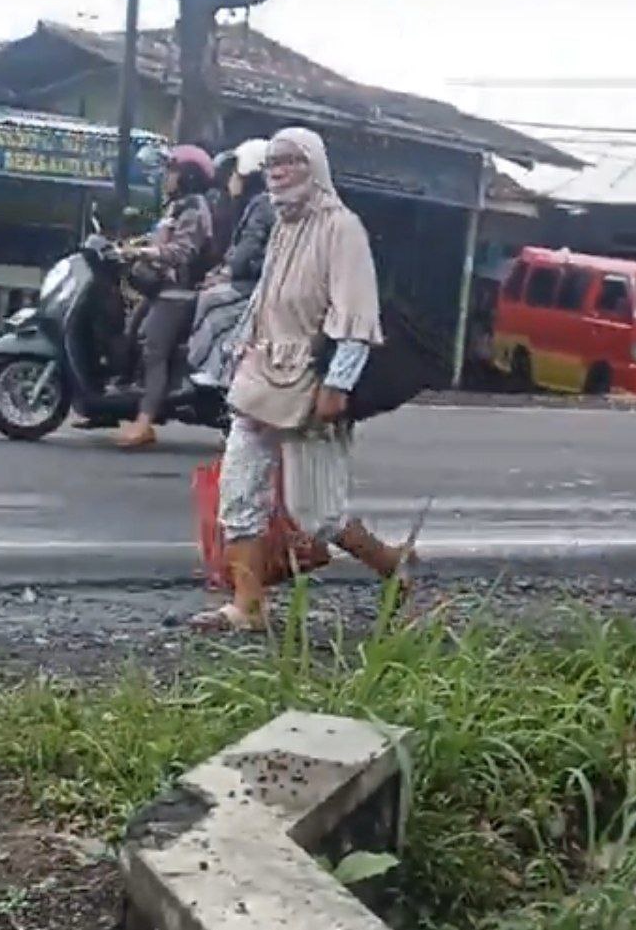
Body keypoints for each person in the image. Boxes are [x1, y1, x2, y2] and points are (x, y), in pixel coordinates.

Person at [190, 126, 415, 632]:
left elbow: (356, 314)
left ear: (315, 166)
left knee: (318, 514)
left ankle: (392, 564)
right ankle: (247, 607)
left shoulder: (342, 228)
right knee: (239, 495)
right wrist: (237, 349)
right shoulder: (282, 225)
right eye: (273, 161)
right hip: (261, 372)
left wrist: (338, 384)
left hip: (311, 379)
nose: (279, 169)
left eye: (291, 160)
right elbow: (265, 297)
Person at [116, 144, 215, 449]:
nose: (167, 178)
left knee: (154, 351)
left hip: (179, 293)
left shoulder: (194, 210)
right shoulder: (177, 207)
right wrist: (130, 245)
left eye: (172, 172)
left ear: (187, 176)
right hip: (161, 289)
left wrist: (142, 252)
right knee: (131, 334)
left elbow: (181, 252)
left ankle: (146, 423)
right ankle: (117, 409)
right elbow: (160, 239)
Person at [186, 139, 274, 389]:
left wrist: (227, 274)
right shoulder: (253, 204)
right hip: (256, 278)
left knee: (209, 302)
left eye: (235, 172)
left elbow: (247, 250)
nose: (230, 179)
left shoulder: (262, 205)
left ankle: (205, 369)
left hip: (257, 282)